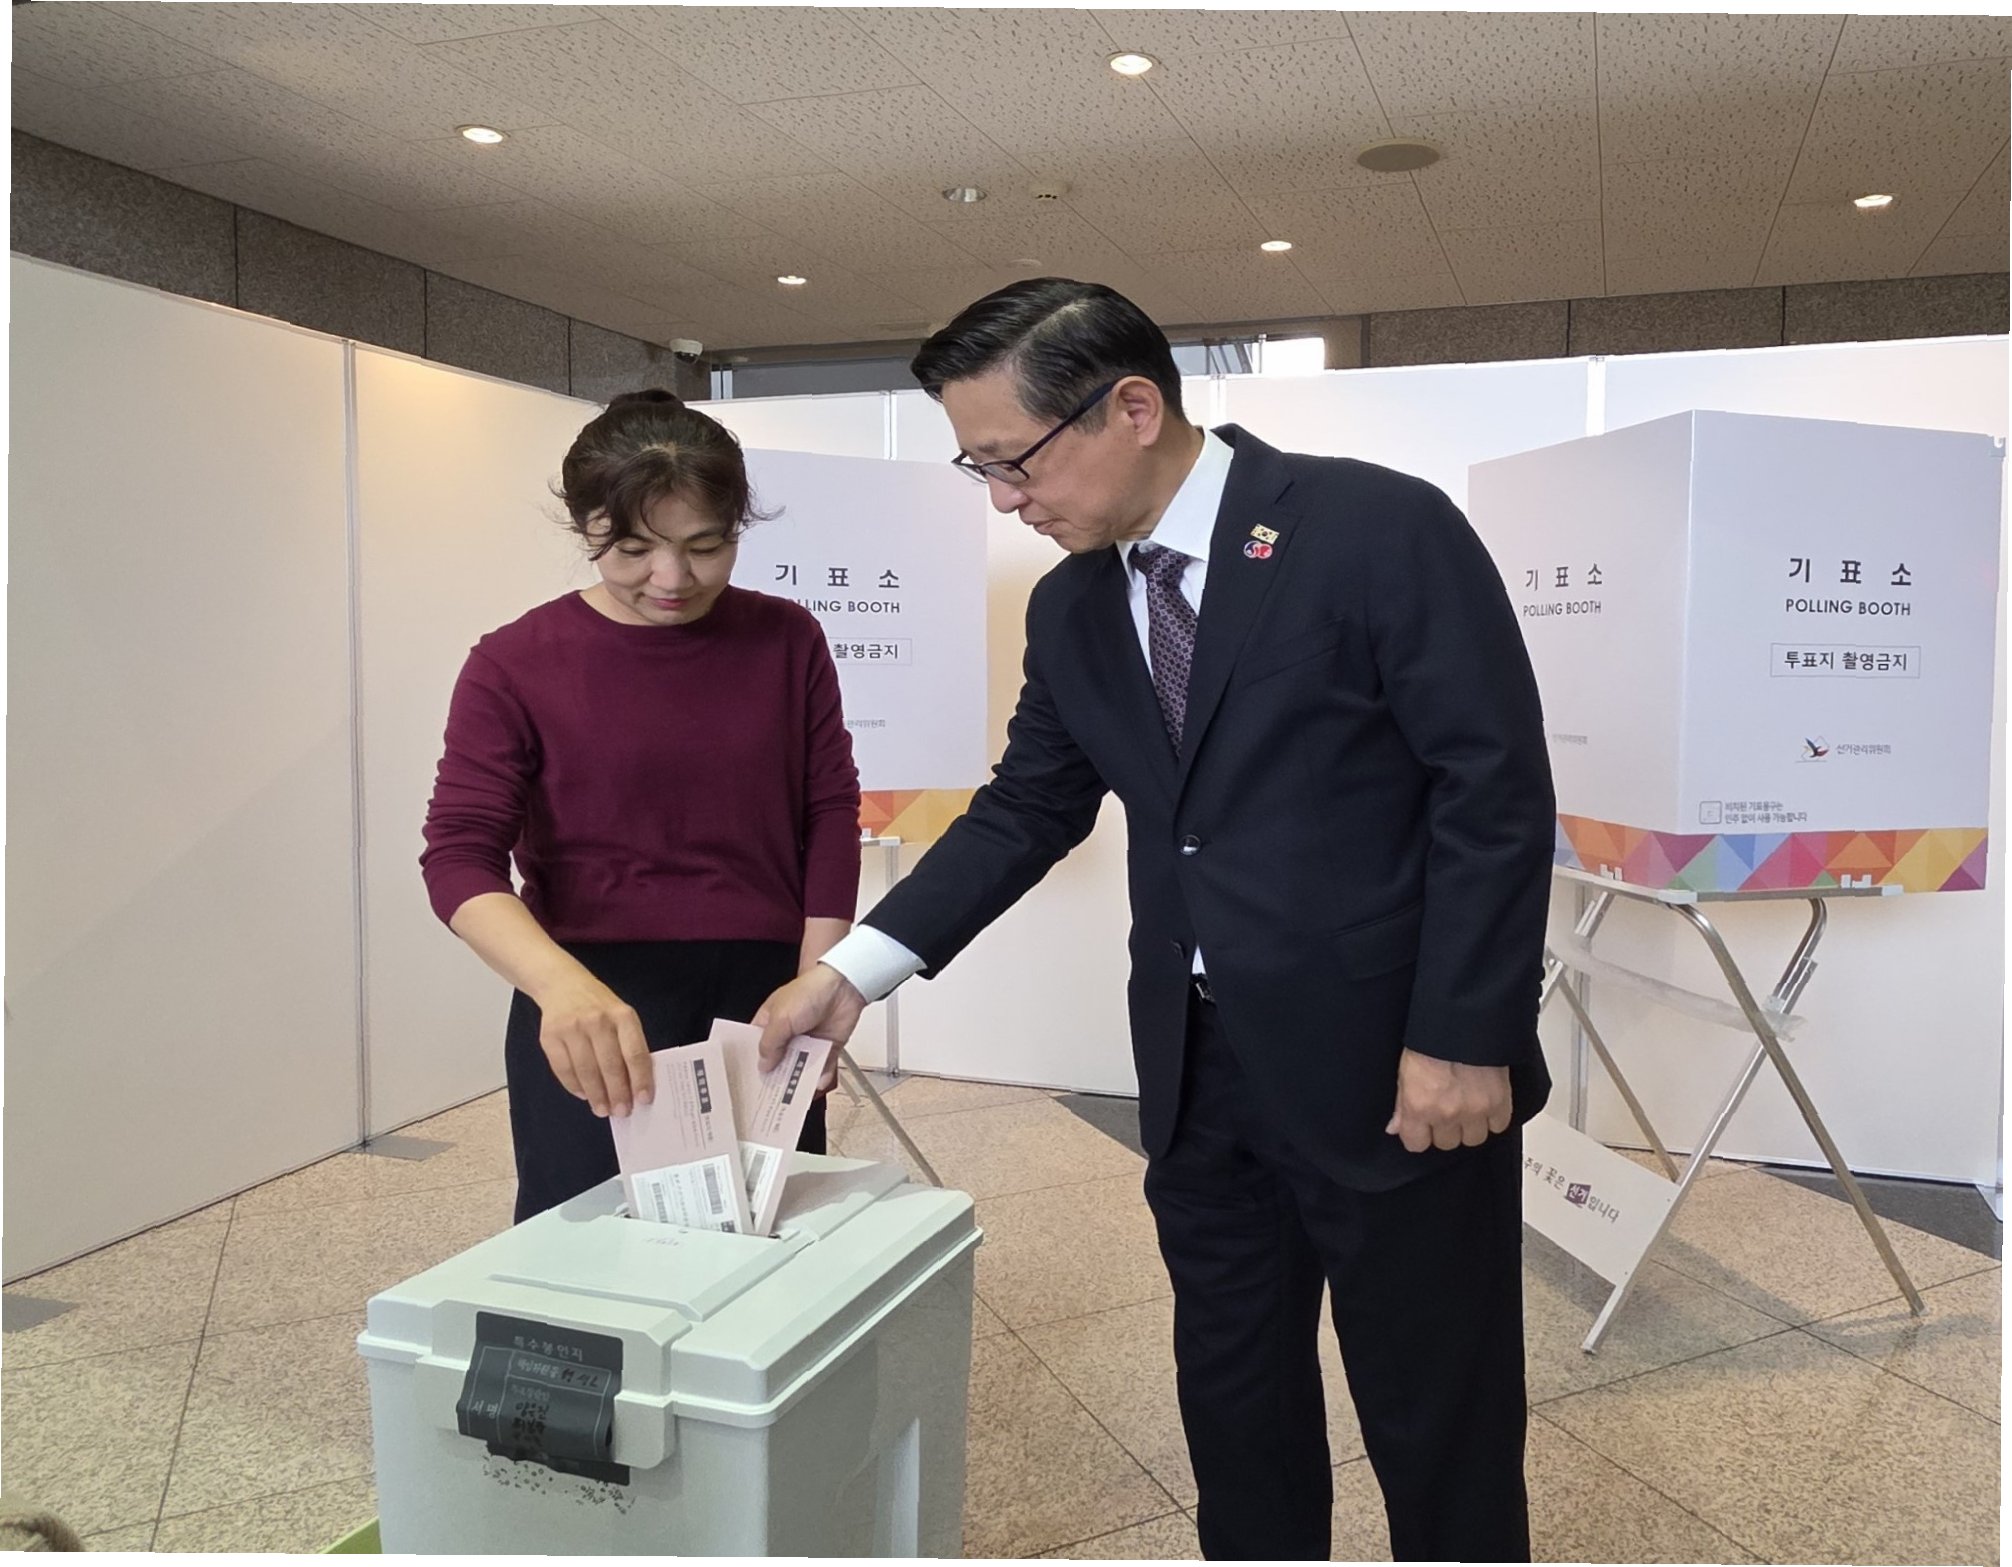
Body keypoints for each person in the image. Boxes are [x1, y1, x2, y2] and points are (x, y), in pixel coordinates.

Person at [754, 281, 1555, 1561]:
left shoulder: (1371, 526)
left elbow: (1491, 790)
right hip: (1196, 1067)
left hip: (1392, 1062)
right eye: (978, 469)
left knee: (1434, 1407)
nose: (1005, 501)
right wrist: (852, 972)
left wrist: (1464, 1034)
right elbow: (1027, 808)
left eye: (1012, 461)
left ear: (1130, 407)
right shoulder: (1074, 604)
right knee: (1234, 1396)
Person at [421, 389, 860, 1224]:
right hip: (592, 995)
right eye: (632, 549)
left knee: (766, 1239)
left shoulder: (786, 638)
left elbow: (829, 811)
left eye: (705, 546)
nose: (672, 578)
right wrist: (558, 986)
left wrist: (822, 977)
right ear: (585, 526)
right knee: (589, 1247)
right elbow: (458, 856)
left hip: (764, 997)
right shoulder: (515, 662)